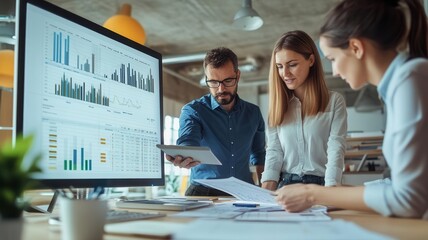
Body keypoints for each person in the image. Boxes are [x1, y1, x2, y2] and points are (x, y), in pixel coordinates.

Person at [275, 0, 428, 219]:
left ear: (356, 47)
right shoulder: (402, 81)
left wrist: (313, 193)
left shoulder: (410, 79)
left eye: (333, 59)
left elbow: (409, 199)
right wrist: (332, 196)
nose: (335, 72)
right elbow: (396, 185)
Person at [166, 47, 266, 196]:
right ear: (206, 79)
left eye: (227, 80)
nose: (221, 89)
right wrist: (184, 155)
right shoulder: (194, 110)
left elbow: (259, 155)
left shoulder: (253, 113)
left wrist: (264, 189)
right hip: (202, 192)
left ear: (237, 76)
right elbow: (188, 140)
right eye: (213, 82)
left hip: (243, 192)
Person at [260, 30, 347, 191]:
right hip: (285, 187)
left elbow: (336, 148)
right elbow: (274, 151)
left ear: (311, 60)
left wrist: (329, 193)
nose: (285, 73)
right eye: (279, 66)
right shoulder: (277, 107)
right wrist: (264, 192)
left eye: (292, 64)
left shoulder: (334, 102)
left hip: (321, 186)